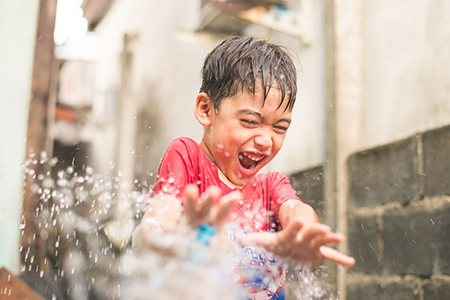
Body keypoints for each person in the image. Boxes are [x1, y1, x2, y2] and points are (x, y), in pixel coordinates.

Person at [132, 36, 355, 299]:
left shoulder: (270, 187)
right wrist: (173, 240)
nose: (265, 140)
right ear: (206, 110)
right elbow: (151, 230)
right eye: (250, 121)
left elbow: (297, 212)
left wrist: (302, 238)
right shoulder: (188, 159)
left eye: (280, 127)